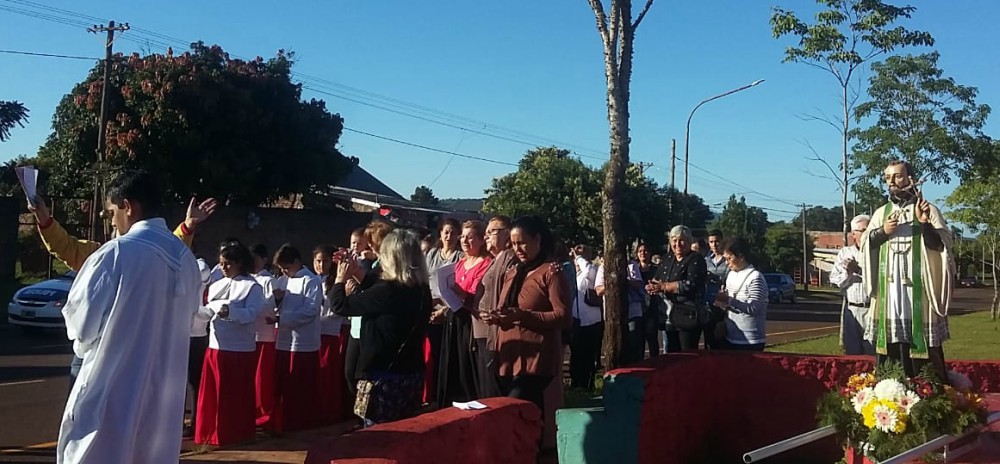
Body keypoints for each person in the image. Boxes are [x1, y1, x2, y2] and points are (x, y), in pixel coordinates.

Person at [56, 171, 203, 464]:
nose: (112, 221)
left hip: (111, 389)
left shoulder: (116, 253)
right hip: (162, 400)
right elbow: (188, 319)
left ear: (128, 206)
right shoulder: (186, 260)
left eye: (112, 212)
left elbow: (81, 327)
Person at [27, 194, 215, 395]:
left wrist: (187, 226)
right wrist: (44, 219)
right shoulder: (100, 254)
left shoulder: (147, 254)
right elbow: (66, 247)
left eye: (113, 214)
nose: (114, 222)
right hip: (94, 354)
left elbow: (169, 250)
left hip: (129, 354)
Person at [484, 215, 572, 447]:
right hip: (510, 356)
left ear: (538, 239)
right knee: (521, 416)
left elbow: (563, 316)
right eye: (513, 244)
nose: (518, 249)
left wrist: (524, 317)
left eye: (522, 242)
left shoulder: (551, 272)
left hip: (537, 360)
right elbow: (510, 309)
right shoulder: (513, 272)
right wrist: (496, 317)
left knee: (518, 410)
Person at [860, 160, 953, 379]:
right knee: (891, 344)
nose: (892, 182)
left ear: (911, 179)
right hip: (889, 293)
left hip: (918, 294)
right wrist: (883, 231)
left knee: (921, 346)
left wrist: (924, 224)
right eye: (887, 178)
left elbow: (942, 246)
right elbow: (865, 244)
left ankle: (927, 391)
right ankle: (889, 389)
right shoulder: (881, 214)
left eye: (897, 177)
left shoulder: (927, 210)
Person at [331, 229, 432, 427]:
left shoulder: (387, 292)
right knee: (407, 430)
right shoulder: (420, 289)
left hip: (383, 377)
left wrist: (340, 278)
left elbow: (340, 305)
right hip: (411, 373)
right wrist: (356, 270)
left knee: (380, 435)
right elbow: (376, 288)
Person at [195, 243, 265, 446]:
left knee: (233, 395)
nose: (223, 268)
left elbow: (252, 314)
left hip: (238, 348)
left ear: (240, 263)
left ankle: (235, 433)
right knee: (214, 394)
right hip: (216, 346)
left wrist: (230, 312)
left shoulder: (252, 286)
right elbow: (208, 310)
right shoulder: (217, 284)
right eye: (221, 263)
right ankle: (211, 432)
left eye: (228, 264)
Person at [437, 220, 492, 404]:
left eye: (471, 237)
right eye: (463, 237)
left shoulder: (485, 264)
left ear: (481, 240)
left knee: (467, 366)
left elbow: (480, 295)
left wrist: (461, 293)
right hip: (454, 317)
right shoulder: (460, 263)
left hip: (471, 321)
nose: (465, 241)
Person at [270, 244, 323, 433]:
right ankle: (281, 421)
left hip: (303, 341)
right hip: (283, 338)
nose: (284, 271)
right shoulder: (284, 280)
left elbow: (311, 310)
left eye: (287, 267)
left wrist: (281, 318)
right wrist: (277, 300)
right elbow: (278, 305)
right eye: (282, 268)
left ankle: (300, 422)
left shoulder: (311, 281)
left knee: (299, 386)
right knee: (283, 384)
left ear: (296, 262)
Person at [344, 221, 395, 397]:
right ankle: (357, 415)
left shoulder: (382, 267)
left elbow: (369, 287)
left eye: (368, 242)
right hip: (356, 325)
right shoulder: (366, 264)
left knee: (363, 377)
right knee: (350, 373)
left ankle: (364, 418)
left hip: (371, 328)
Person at [473, 215, 517, 398]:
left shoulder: (509, 258)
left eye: (491, 232)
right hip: (484, 331)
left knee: (495, 391)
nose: (486, 237)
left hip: (495, 331)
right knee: (486, 389)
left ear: (507, 234)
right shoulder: (495, 259)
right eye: (486, 233)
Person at [646, 225, 708, 353]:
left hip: (688, 316)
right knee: (671, 354)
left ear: (689, 241)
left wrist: (664, 287)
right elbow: (657, 278)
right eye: (674, 240)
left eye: (682, 240)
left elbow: (690, 285)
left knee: (687, 355)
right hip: (668, 315)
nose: (678, 244)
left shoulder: (696, 259)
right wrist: (652, 286)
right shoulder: (668, 258)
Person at [830, 215, 875, 356]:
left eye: (869, 230)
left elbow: (880, 280)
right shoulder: (845, 253)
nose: (866, 234)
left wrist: (859, 270)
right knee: (852, 351)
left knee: (872, 351)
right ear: (853, 234)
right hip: (851, 308)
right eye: (862, 230)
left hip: (872, 308)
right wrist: (848, 273)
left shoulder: (876, 252)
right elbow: (836, 281)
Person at [714, 237, 768, 351]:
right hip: (730, 336)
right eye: (725, 259)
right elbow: (729, 304)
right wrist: (722, 302)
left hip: (750, 340)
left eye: (729, 258)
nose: (727, 263)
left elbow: (755, 308)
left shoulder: (755, 277)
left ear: (741, 256)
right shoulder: (731, 275)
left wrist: (729, 300)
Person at [314, 245, 348, 424]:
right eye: (317, 261)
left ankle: (329, 412)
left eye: (324, 261)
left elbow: (337, 309)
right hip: (313, 334)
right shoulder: (311, 280)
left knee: (328, 375)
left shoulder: (336, 282)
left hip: (330, 332)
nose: (321, 265)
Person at [250, 244, 279, 427]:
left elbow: (268, 307)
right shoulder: (248, 278)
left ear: (264, 259)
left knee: (262, 378)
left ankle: (263, 413)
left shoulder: (268, 280)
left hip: (265, 334)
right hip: (250, 334)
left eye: (256, 259)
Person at [570, 250, 602, 390]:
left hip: (591, 321)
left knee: (589, 354)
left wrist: (580, 258)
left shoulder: (590, 272)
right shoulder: (573, 276)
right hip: (576, 321)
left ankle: (588, 383)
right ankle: (576, 382)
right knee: (576, 354)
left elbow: (589, 271)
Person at [704, 230, 729, 349]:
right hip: (707, 303)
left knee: (721, 339)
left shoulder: (728, 260)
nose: (714, 244)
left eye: (717, 241)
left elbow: (730, 280)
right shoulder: (706, 260)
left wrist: (715, 278)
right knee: (708, 339)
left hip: (723, 305)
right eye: (711, 242)